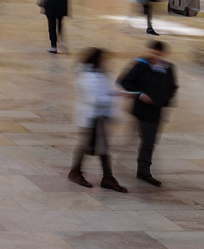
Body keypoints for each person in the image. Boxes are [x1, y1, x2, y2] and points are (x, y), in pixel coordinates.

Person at [117, 41, 177, 186]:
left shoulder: (168, 68)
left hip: (157, 110)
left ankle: (143, 169)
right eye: (152, 52)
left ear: (162, 54)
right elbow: (124, 81)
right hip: (143, 110)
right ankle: (144, 171)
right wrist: (140, 94)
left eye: (156, 53)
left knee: (149, 141)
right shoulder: (141, 65)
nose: (153, 55)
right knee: (148, 141)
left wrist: (164, 100)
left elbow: (172, 87)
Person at [69, 48, 127, 191]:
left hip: (99, 117)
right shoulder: (88, 76)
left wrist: (116, 94)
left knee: (96, 147)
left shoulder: (100, 74)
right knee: (98, 147)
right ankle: (104, 177)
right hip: (91, 117)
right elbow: (95, 98)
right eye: (103, 60)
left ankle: (82, 173)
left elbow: (105, 92)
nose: (105, 62)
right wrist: (115, 96)